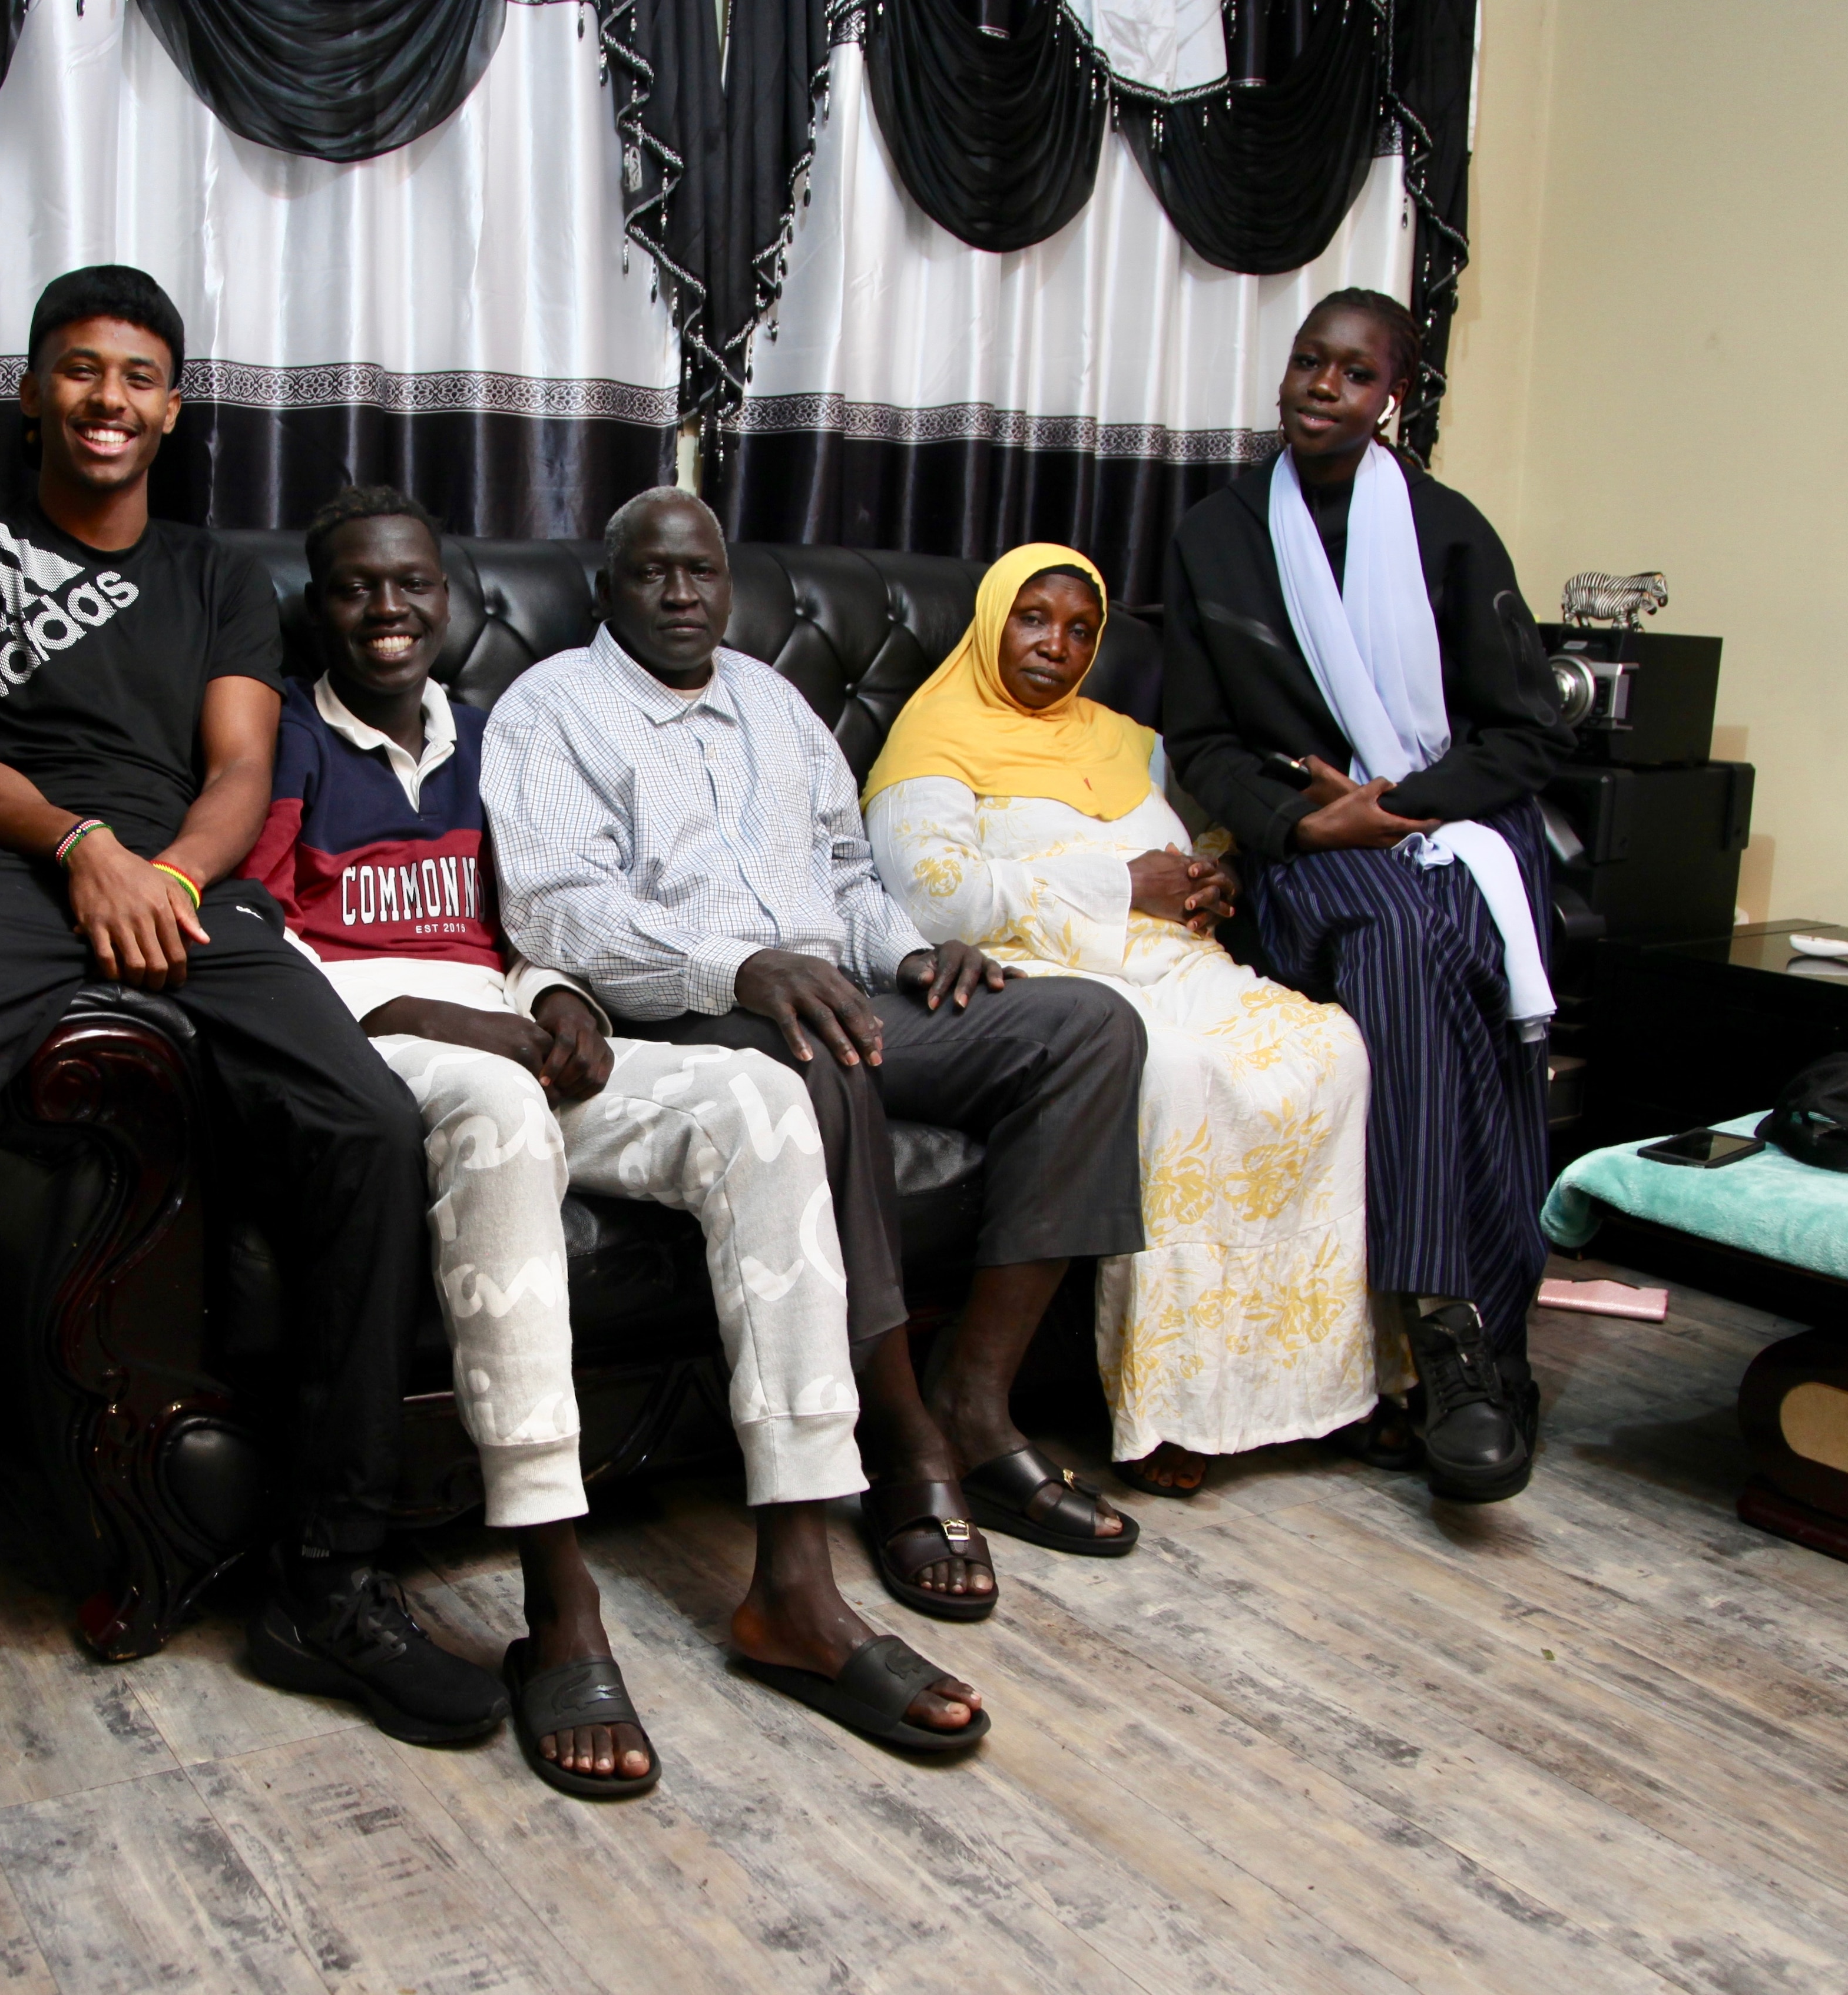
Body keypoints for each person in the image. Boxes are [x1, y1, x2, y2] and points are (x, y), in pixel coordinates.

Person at [0, 269, 502, 1804]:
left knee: (370, 1122)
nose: (110, 401)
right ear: (32, 395)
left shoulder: (212, 575)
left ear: (174, 407)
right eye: (81, 373)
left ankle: (328, 1571)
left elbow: (232, 768)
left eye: (140, 377)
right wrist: (87, 851)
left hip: (182, 884)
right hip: (6, 870)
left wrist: (180, 881)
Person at [247, 486, 986, 1777]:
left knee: (761, 1100)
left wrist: (557, 999)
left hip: (507, 1025)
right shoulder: (287, 747)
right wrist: (419, 1006)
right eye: (358, 588)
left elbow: (536, 918)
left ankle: (798, 1581)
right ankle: (558, 1600)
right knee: (495, 1117)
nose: (388, 611)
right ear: (318, 609)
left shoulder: (484, 739)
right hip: (380, 1049)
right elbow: (251, 936)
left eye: (412, 586)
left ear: (449, 603)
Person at [483, 488, 1157, 1651]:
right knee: (817, 1055)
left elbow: (845, 876)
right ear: (607, 589)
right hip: (686, 1017)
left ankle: (978, 1406)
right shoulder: (553, 711)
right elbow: (559, 916)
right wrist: (740, 967)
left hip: (841, 990)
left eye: (702, 572)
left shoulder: (776, 703)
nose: (684, 593)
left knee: (1089, 1026)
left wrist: (911, 947)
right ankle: (903, 1444)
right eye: (654, 574)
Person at [1158, 287, 1572, 1504]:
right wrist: (1305, 819)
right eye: (1304, 364)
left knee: (1435, 935)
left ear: (1391, 394)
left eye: (1350, 373)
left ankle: (1455, 1325)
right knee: (1405, 930)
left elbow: (1527, 732)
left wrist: (1399, 804)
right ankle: (1468, 1340)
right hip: (1308, 850)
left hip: (1448, 821)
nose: (1318, 388)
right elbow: (1202, 738)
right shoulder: (1216, 536)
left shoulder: (1449, 532)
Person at [860, 544, 1386, 1499]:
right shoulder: (933, 739)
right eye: (1032, 619)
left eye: (1080, 630)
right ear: (990, 626)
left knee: (1330, 1048)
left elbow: (1195, 840)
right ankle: (1178, 1410)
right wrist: (1119, 883)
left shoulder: (1129, 741)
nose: (1055, 646)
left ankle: (1300, 1390)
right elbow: (932, 898)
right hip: (1054, 981)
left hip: (1180, 964)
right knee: (1181, 1074)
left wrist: (1215, 872)